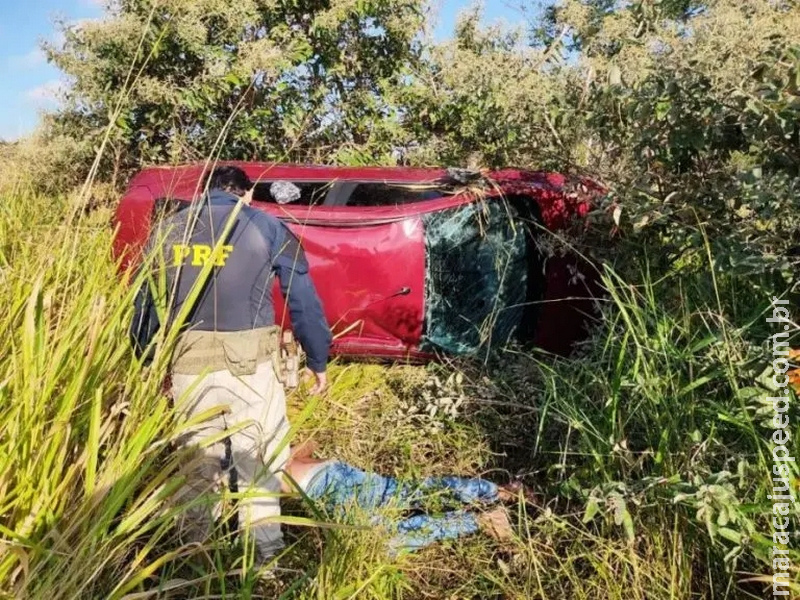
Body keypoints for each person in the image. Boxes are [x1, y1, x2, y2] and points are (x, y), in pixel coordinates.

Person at [129, 165, 332, 562]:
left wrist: (151, 363)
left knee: (196, 461)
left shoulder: (168, 229)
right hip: (251, 367)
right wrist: (317, 359)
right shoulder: (265, 225)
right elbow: (302, 298)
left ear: (204, 193)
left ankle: (194, 558)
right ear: (247, 194)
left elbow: (143, 308)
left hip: (189, 366)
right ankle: (263, 562)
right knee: (258, 457)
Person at [282, 443, 536, 555]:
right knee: (415, 490)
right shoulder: (268, 440)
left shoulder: (257, 471)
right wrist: (291, 454)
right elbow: (310, 443)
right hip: (339, 473)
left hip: (337, 492)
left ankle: (485, 519)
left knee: (391, 540)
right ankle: (499, 491)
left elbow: (307, 445)